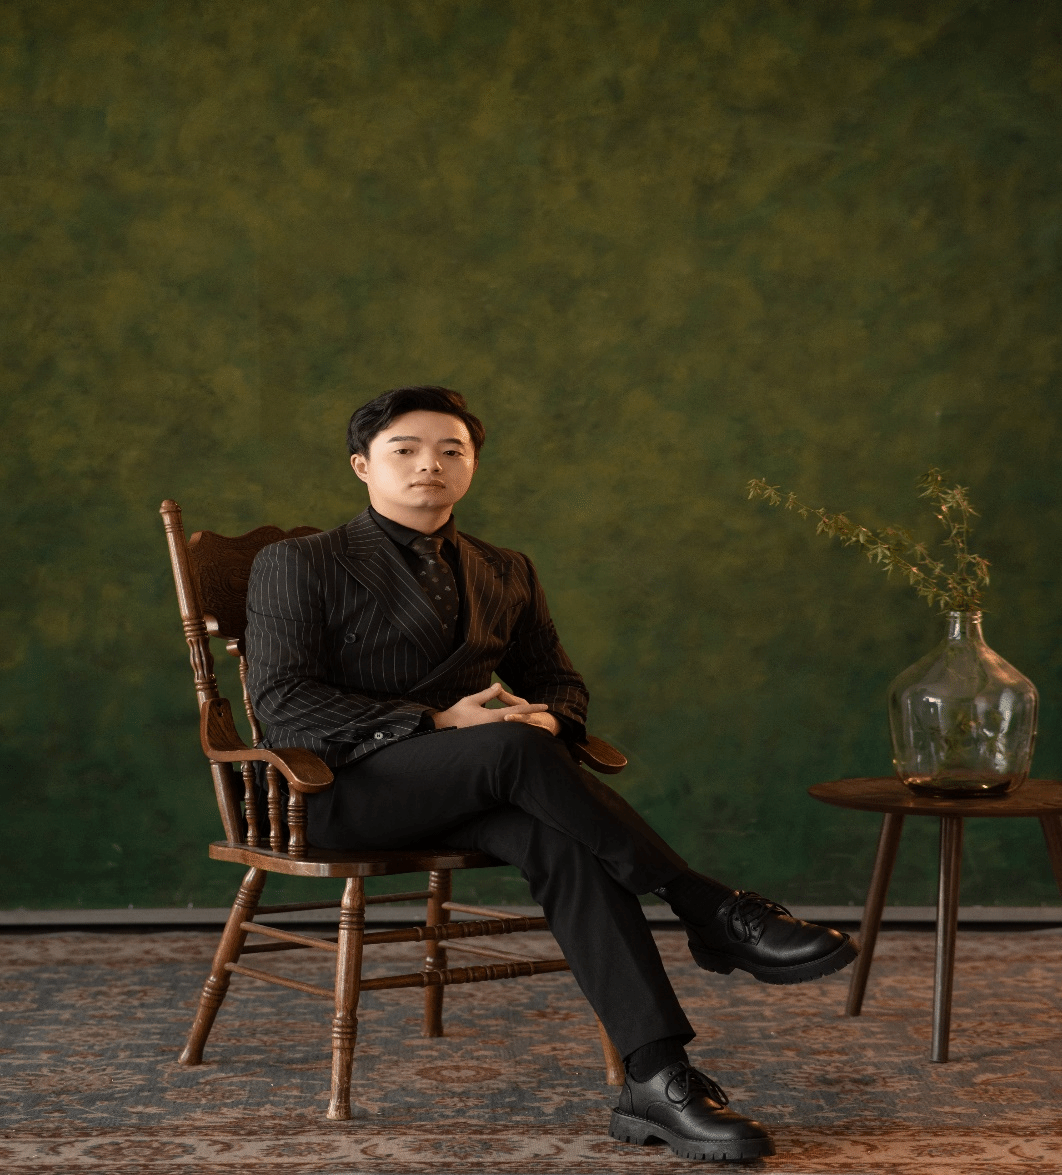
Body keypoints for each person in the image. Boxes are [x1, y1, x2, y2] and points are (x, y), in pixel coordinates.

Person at [246, 385, 858, 1164]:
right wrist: (442, 721)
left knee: (565, 834)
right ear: (362, 464)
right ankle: (704, 903)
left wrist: (548, 720)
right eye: (406, 449)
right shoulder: (298, 562)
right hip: (338, 789)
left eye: (452, 450)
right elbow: (284, 704)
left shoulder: (505, 569)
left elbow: (561, 684)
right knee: (511, 749)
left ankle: (656, 1077)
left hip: (480, 784)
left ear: (473, 465)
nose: (430, 463)